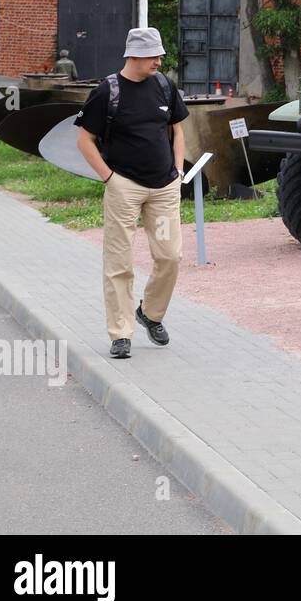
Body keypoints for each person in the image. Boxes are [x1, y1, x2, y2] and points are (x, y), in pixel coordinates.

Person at [74, 28, 189, 359]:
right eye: (153, 55)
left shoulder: (165, 86)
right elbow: (85, 140)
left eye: (160, 55)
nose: (159, 60)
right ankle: (121, 333)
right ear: (134, 56)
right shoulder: (107, 91)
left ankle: (150, 313)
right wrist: (110, 178)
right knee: (119, 261)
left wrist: (178, 172)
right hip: (125, 188)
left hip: (164, 188)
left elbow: (177, 131)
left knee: (170, 256)